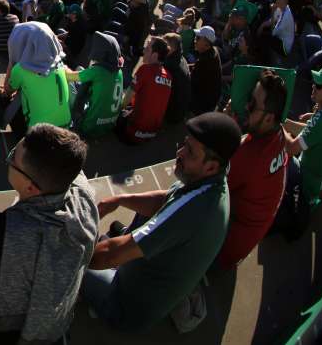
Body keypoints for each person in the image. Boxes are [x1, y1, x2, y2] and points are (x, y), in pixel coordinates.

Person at [0, 124, 97, 343]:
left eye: (13, 158)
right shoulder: (84, 196)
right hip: (54, 323)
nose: (10, 160)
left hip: (2, 333)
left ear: (31, 188)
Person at [83, 112, 241, 332]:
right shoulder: (212, 180)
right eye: (184, 144)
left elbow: (111, 255)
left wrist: (76, 253)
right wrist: (119, 199)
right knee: (136, 223)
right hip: (150, 279)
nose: (179, 153)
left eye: (190, 152)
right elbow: (167, 200)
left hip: (125, 306)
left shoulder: (192, 211)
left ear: (211, 166)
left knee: (68, 260)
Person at [216, 71, 289, 270]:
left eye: (253, 104)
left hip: (224, 248)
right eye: (249, 98)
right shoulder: (279, 133)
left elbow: (205, 181)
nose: (247, 106)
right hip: (247, 237)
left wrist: (223, 127)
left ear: (269, 118)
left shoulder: (249, 155)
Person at [283, 63, 322, 208]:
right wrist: (285, 122)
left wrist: (278, 125)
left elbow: (291, 148)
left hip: (307, 184)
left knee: (280, 155)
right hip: (316, 180)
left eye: (319, 86)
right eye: (315, 82)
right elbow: (311, 130)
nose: (314, 86)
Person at [4, 21, 72, 131]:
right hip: (65, 126)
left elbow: (8, 90)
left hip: (39, 131)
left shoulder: (20, 69)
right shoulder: (59, 62)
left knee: (9, 99)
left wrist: (12, 62)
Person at [66, 31, 123, 138]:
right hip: (109, 125)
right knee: (80, 69)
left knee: (68, 83)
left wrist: (64, 67)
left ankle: (68, 118)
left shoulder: (97, 71)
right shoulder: (119, 71)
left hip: (89, 127)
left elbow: (68, 76)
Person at [116, 36, 173, 144]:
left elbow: (125, 101)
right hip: (151, 134)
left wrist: (115, 110)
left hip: (132, 133)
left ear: (155, 55)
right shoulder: (168, 76)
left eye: (147, 49)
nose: (143, 51)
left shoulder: (145, 69)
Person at [190, 26, 222, 115]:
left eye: (198, 38)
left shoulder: (205, 60)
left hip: (202, 106)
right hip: (209, 102)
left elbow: (191, 82)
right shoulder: (212, 51)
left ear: (206, 43)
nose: (195, 40)